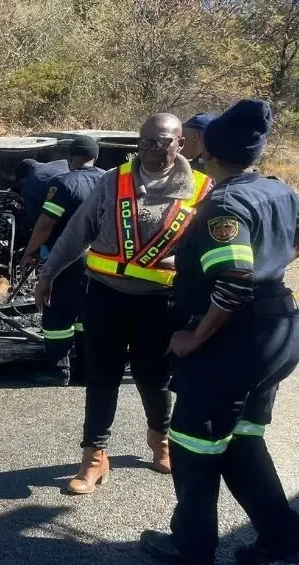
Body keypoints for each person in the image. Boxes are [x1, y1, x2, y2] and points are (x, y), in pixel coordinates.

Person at [140, 99, 299, 565]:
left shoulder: (224, 204)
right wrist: (271, 266)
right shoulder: (281, 191)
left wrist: (194, 337)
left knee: (194, 444)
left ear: (209, 149)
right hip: (277, 333)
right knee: (244, 440)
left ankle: (192, 550)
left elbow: (233, 280)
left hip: (232, 341)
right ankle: (282, 538)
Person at [35, 114, 213, 494]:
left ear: (180, 144)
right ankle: (94, 457)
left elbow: (210, 251)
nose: (152, 149)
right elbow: (76, 231)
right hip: (104, 294)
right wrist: (48, 273)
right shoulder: (113, 180)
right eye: (145, 141)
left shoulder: (202, 190)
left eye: (162, 142)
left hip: (160, 302)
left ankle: (159, 438)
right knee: (101, 376)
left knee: (154, 378)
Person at [20, 135, 104, 386]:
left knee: (57, 313)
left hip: (69, 258)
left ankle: (58, 370)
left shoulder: (64, 184)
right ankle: (85, 369)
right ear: (96, 158)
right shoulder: (110, 181)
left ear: (71, 158)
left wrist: (31, 251)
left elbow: (46, 223)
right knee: (86, 314)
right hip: (103, 260)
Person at [16, 157, 70, 241]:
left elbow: (35, 220)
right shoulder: (61, 162)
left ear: (23, 178)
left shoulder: (29, 184)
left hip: (62, 218)